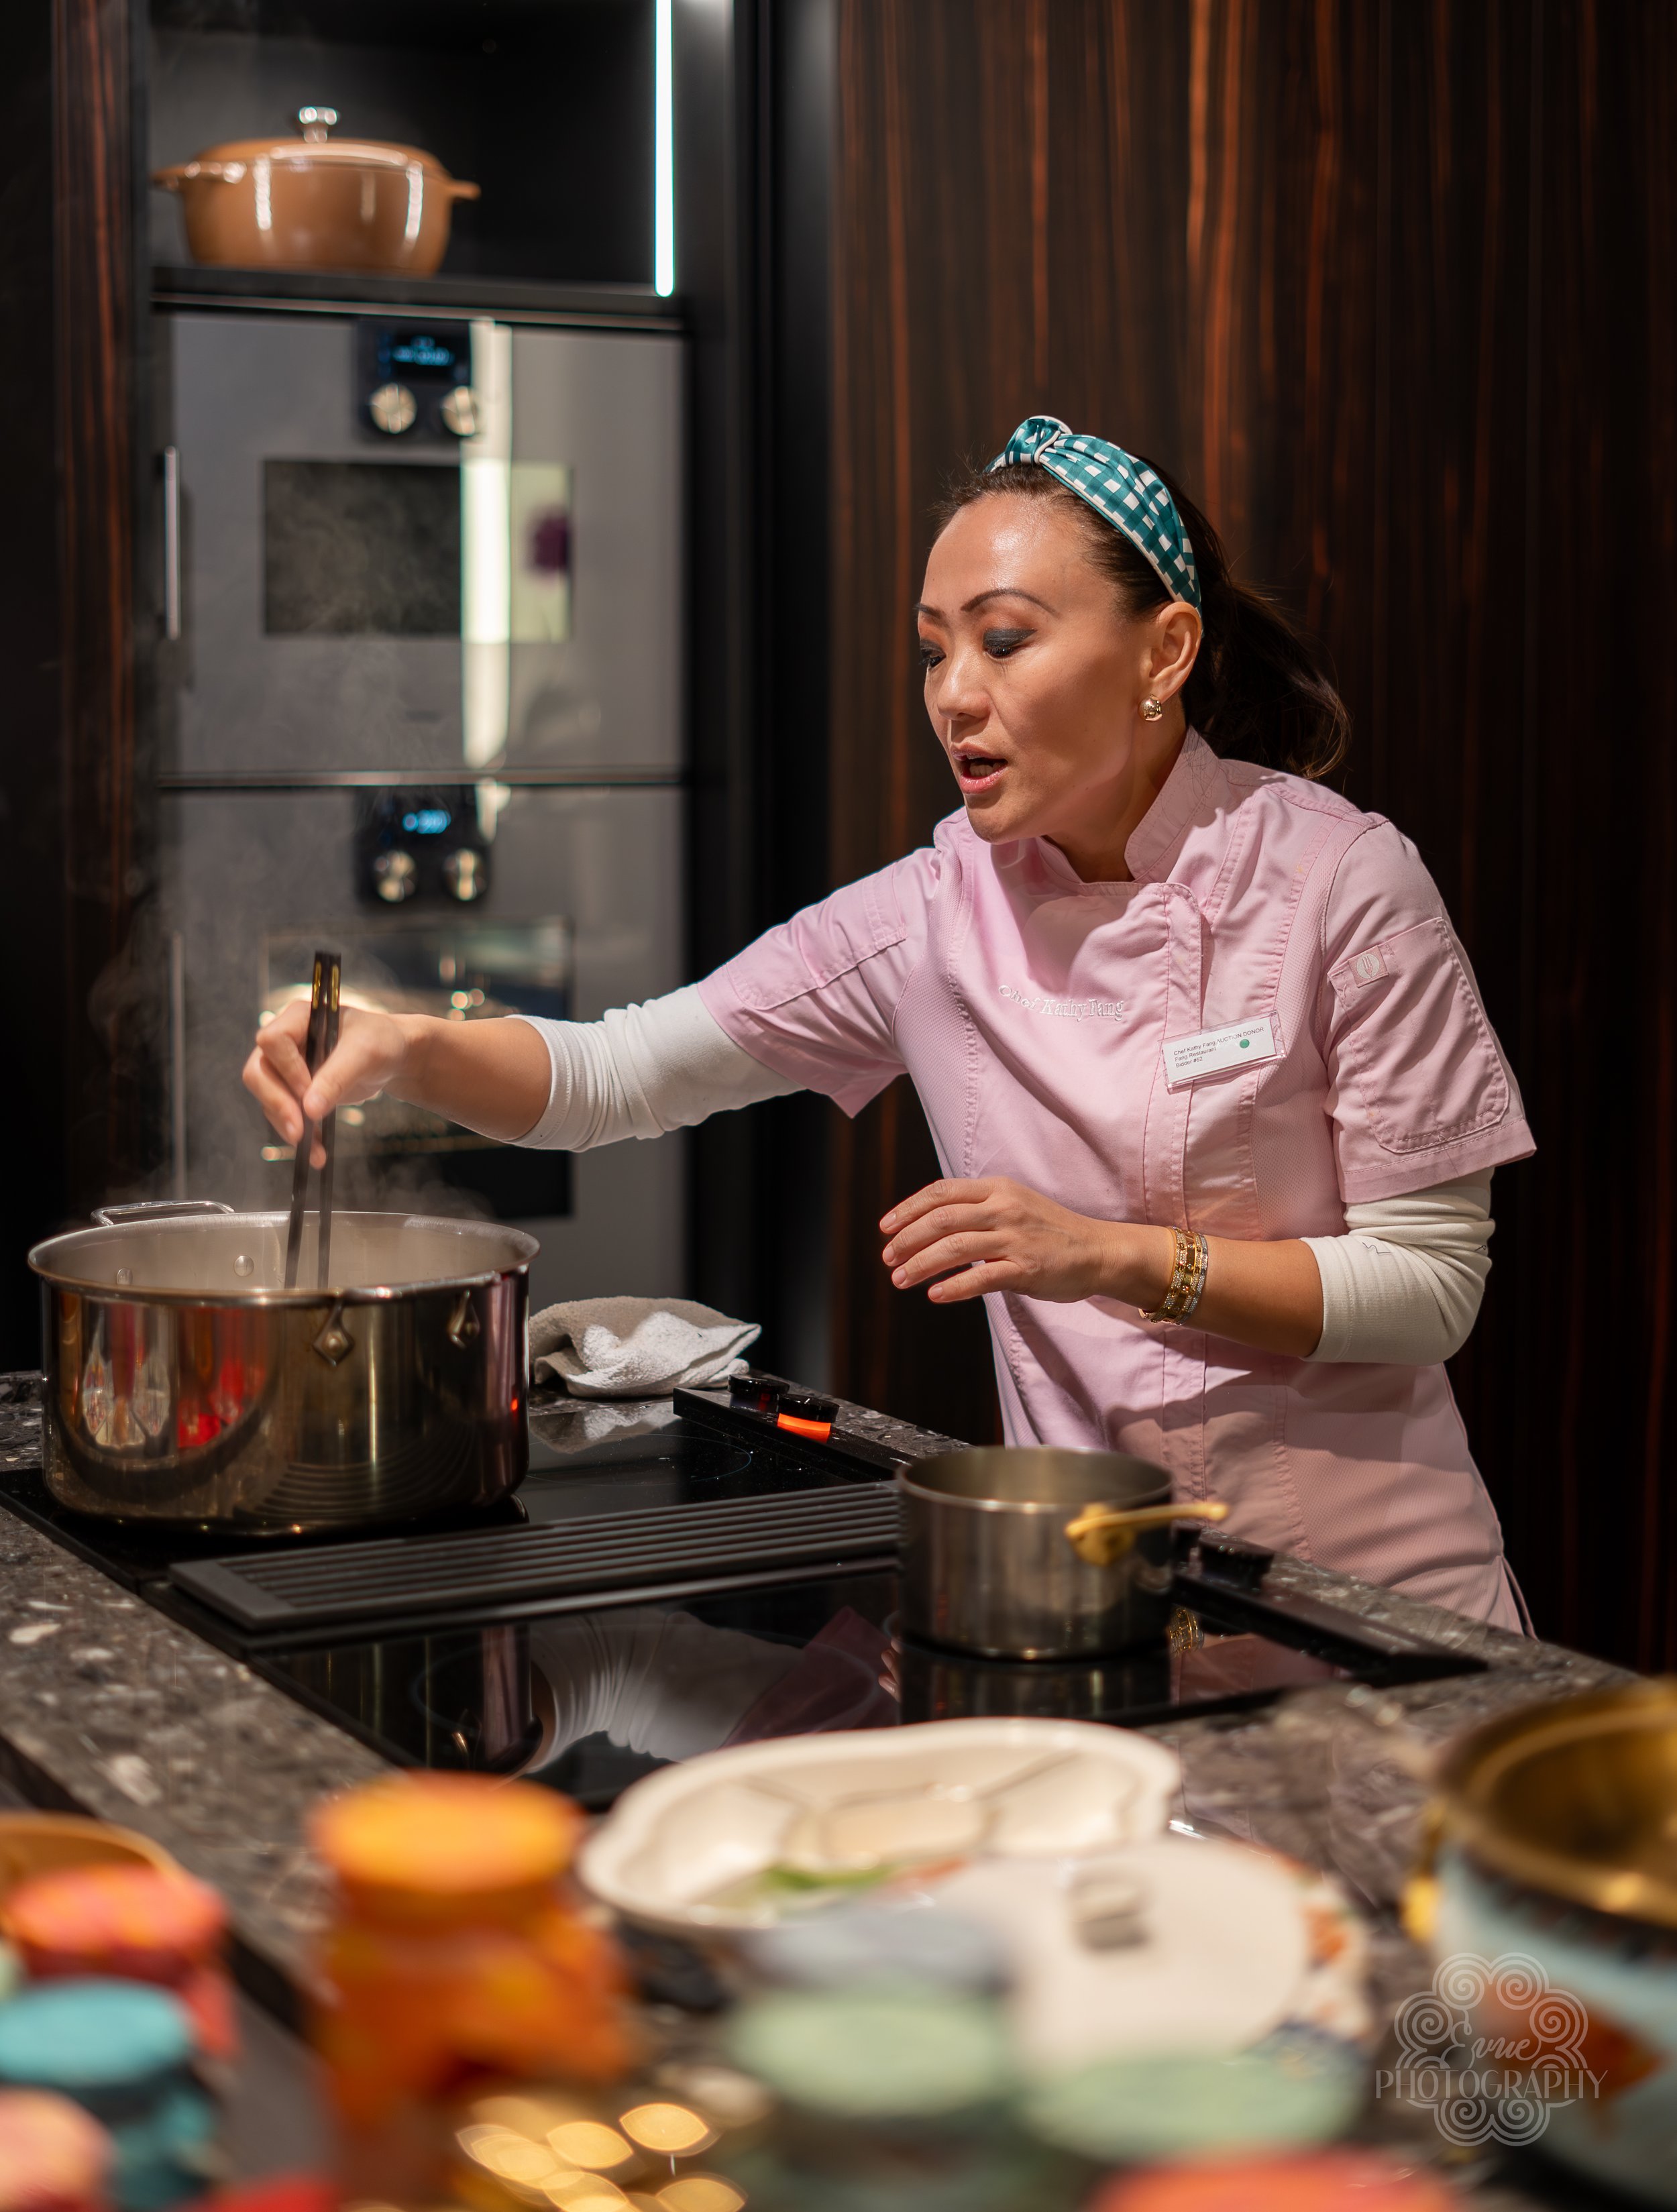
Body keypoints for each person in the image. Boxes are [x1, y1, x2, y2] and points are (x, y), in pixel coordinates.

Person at [246, 415, 1534, 1628]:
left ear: (1166, 651)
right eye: (933, 650)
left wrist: (1112, 1254)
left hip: (1367, 1597)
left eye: (1006, 640)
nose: (954, 695)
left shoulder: (1340, 882)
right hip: (1099, 1594)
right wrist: (406, 1044)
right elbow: (616, 1072)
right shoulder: (932, 914)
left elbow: (1430, 1288)